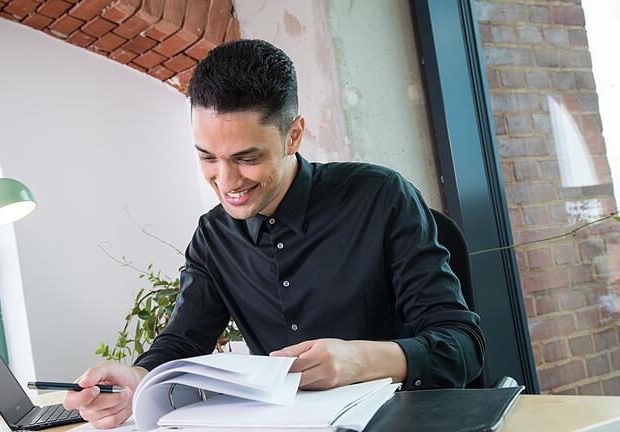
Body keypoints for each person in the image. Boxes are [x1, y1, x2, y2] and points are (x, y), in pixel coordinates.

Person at [63, 39, 485, 429]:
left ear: (293, 135)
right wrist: (137, 376)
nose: (226, 180)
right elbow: (182, 339)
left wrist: (363, 360)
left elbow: (463, 346)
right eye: (207, 157)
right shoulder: (213, 236)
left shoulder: (380, 197)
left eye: (247, 158)